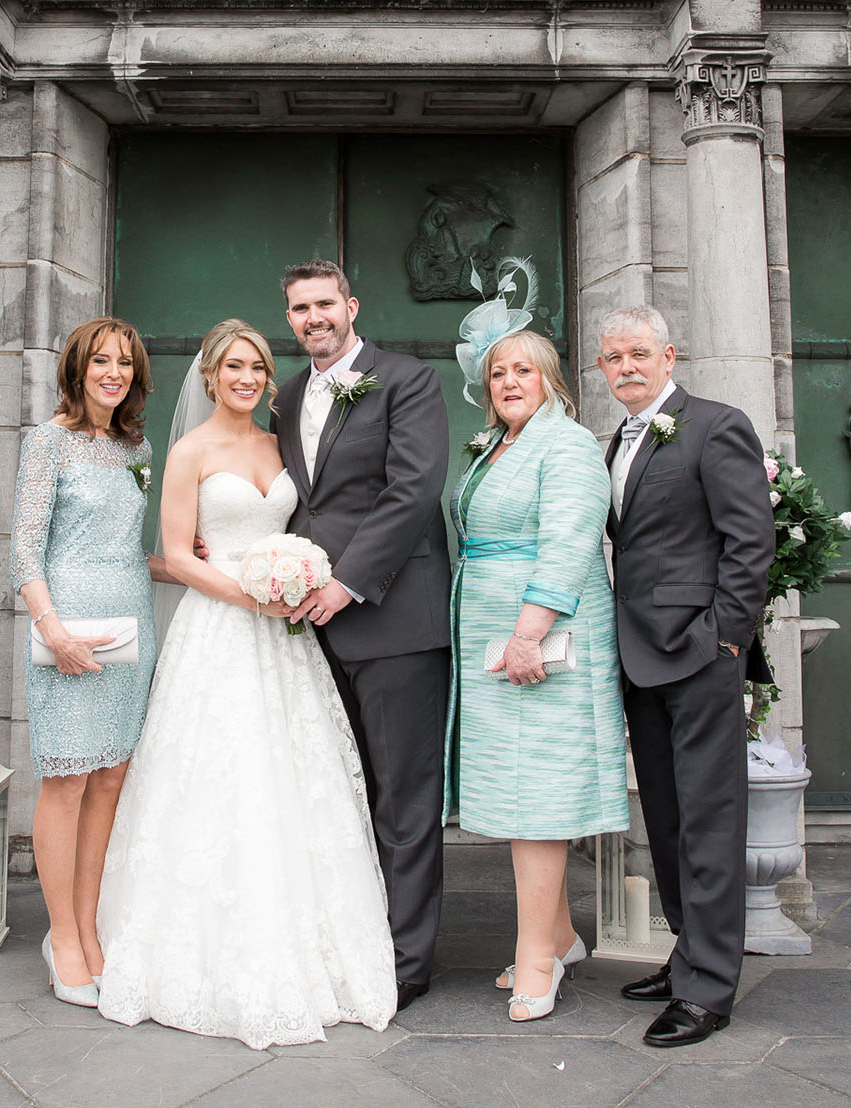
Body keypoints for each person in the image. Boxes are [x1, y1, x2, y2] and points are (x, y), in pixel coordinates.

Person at [96, 318, 396, 1048]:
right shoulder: (190, 452)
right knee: (218, 777)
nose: (247, 377)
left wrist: (301, 578)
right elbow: (174, 553)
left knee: (293, 777)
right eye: (233, 366)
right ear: (209, 376)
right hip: (223, 629)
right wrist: (253, 595)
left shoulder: (281, 445)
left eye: (258, 366)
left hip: (288, 637)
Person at [446, 268, 628, 1022]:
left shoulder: (570, 445)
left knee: (538, 799)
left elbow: (568, 544)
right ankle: (557, 934)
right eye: (498, 372)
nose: (509, 380)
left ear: (550, 379)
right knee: (514, 793)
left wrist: (528, 632)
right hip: (496, 640)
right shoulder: (499, 445)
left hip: (544, 644)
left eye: (524, 369)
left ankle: (536, 961)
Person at [273, 260, 452, 1011]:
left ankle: (407, 962)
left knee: (403, 797)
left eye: (324, 303)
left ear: (351, 305)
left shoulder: (407, 379)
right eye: (298, 308)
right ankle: (352, 939)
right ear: (290, 319)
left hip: (393, 617)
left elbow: (413, 489)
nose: (313, 317)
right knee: (338, 795)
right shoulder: (285, 398)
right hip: (308, 631)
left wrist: (347, 581)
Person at [596, 305, 774, 1048]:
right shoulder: (619, 439)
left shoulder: (715, 424)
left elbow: (749, 539)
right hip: (638, 653)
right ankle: (685, 956)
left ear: (669, 356)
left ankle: (708, 992)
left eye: (639, 352)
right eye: (613, 357)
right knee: (666, 821)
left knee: (708, 821)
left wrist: (725, 640)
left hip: (698, 655)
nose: (626, 367)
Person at [10, 317, 163, 1008]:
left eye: (124, 363)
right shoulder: (49, 442)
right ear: (77, 369)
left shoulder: (136, 447)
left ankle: (92, 929)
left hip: (131, 626)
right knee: (67, 780)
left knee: (108, 780)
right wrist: (53, 627)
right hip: (67, 630)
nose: (113, 372)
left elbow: (132, 549)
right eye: (100, 360)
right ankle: (62, 938)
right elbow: (23, 549)